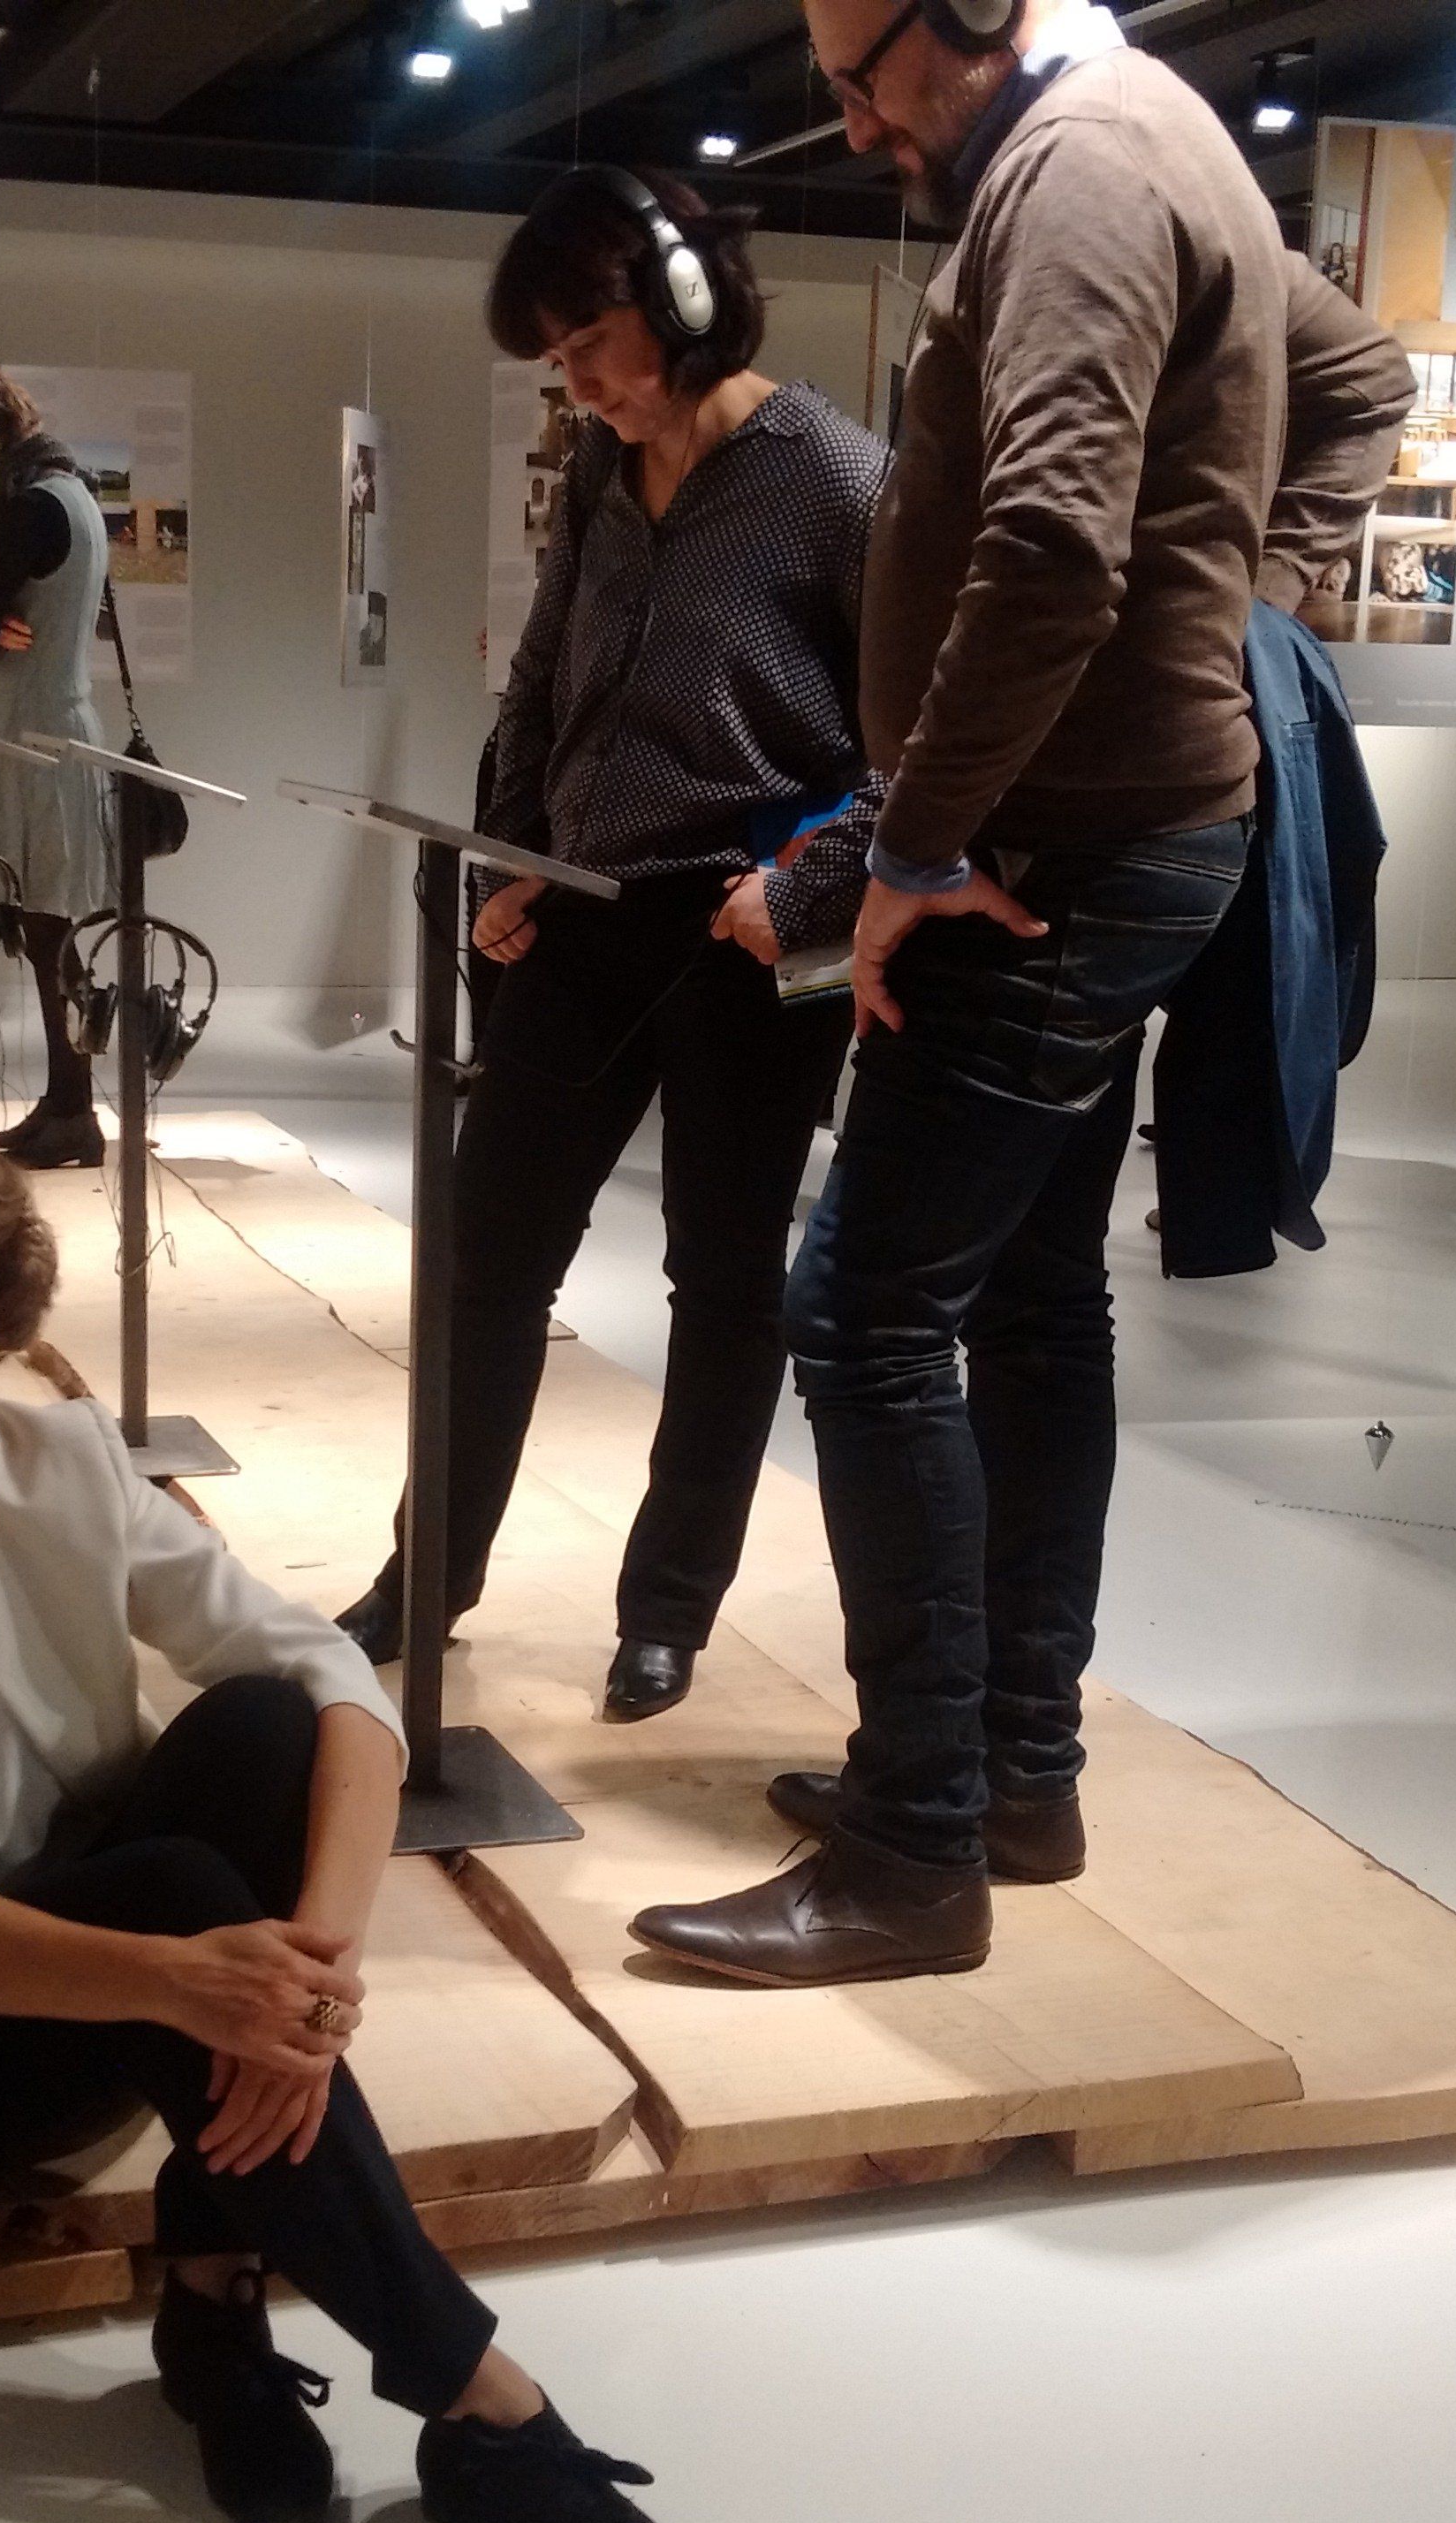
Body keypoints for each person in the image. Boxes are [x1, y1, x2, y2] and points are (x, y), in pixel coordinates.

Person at [0, 1126, 718, 2523]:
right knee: (171, 1892)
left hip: (84, 1995)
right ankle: (486, 2407)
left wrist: (308, 1983)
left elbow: (323, 1667)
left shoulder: (63, 1463)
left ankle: (212, 2299)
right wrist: (184, 1980)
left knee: (268, 1731)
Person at [633, 0, 1408, 1986]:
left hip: (1047, 854)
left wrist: (908, 851)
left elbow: (1054, 550)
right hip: (1099, 825)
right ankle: (1010, 1775)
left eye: (861, 69)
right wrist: (1249, 607)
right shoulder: (1149, 131)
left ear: (969, 12)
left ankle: (914, 1854)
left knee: (866, 1312)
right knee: (1035, 1300)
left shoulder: (1076, 170)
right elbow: (1359, 376)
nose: (848, 119)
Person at [334, 165, 884, 1727]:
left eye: (586, 346)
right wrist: (515, 851)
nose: (572, 384)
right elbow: (541, 678)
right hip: (582, 914)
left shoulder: (842, 483)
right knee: (485, 1262)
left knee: (725, 1279)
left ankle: (669, 1611)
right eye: (556, 358)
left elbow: (919, 747)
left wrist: (809, 891)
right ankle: (426, 1577)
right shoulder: (596, 467)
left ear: (685, 303)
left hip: (747, 930)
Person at [0, 368, 116, 1170]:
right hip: (53, 729)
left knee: (49, 930)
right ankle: (66, 1103)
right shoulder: (72, 494)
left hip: (35, 740)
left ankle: (74, 1112)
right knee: (48, 930)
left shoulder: (32, 507)